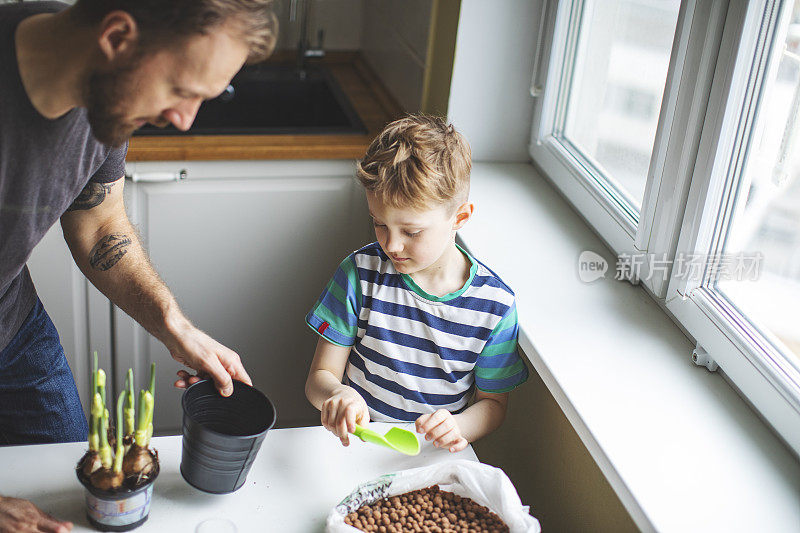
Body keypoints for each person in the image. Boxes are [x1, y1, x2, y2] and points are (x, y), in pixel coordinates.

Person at [0, 0, 277, 530]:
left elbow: (99, 221)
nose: (184, 120)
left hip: (13, 325)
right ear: (116, 37)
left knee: (70, 486)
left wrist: (175, 326)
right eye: (180, 89)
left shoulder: (105, 90)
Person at [304, 115, 529, 455]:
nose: (391, 245)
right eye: (380, 224)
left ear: (459, 218)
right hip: (358, 446)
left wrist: (460, 425)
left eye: (411, 231)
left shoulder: (494, 307)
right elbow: (320, 376)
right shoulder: (358, 275)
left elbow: (493, 406)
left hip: (430, 458)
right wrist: (337, 394)